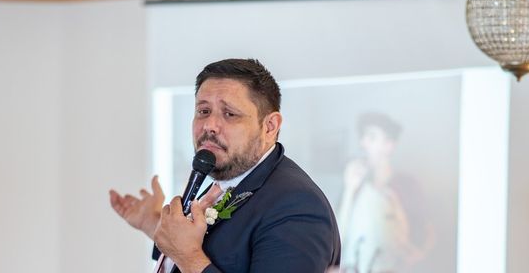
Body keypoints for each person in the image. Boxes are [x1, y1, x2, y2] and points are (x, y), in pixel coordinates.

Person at [109, 58, 341, 273]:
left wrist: (189, 257)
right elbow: (225, 250)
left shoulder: (296, 206)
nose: (209, 125)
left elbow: (195, 255)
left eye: (229, 114)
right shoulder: (226, 181)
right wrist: (156, 226)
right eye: (203, 111)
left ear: (270, 126)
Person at [336, 113, 434, 273]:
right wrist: (349, 189)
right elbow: (338, 235)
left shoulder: (407, 185)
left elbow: (427, 230)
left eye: (372, 137)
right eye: (363, 137)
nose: (363, 143)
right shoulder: (356, 186)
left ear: (389, 145)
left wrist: (417, 257)